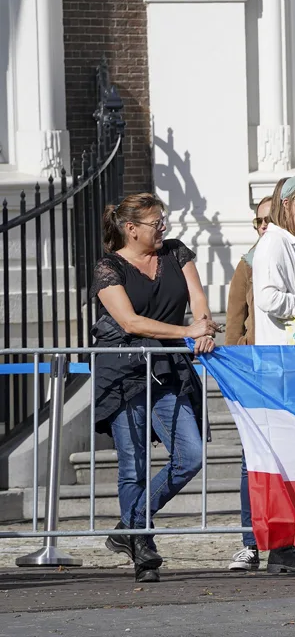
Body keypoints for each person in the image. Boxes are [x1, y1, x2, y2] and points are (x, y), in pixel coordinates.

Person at [93, 193, 216, 583]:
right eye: (155, 222)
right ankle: (143, 549)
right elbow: (130, 322)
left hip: (167, 370)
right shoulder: (108, 268)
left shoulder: (177, 254)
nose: (163, 227)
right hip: (123, 374)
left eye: (163, 220)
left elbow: (199, 301)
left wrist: (205, 328)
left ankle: (129, 526)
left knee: (191, 455)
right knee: (133, 466)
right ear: (131, 229)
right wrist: (186, 333)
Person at [223, 195, 295, 572]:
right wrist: (242, 355)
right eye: (257, 223)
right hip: (261, 370)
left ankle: (293, 542)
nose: (262, 228)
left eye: (266, 220)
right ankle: (251, 540)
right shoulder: (249, 264)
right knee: (252, 460)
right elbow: (235, 318)